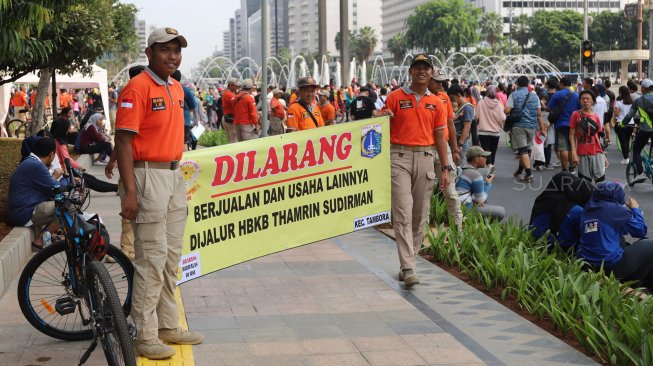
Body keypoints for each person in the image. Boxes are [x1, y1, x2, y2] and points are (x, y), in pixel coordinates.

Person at [114, 26, 203, 360]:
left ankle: (167, 325)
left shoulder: (177, 88)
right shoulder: (136, 87)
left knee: (169, 257)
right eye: (165, 49)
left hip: (173, 175)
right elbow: (123, 140)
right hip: (146, 177)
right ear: (149, 52)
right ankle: (142, 332)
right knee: (150, 259)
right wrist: (130, 192)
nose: (172, 56)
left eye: (177, 50)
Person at [379, 54, 451, 287]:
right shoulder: (395, 97)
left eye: (426, 68)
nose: (421, 71)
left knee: (420, 215)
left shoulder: (437, 103)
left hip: (426, 158)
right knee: (403, 212)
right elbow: (380, 124)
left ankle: (409, 261)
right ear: (410, 71)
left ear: (431, 73)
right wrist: (378, 118)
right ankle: (408, 266)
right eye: (417, 67)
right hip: (398, 157)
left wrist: (446, 168)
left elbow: (440, 136)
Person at [577, 181, 653, 292]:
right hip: (611, 266)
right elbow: (640, 230)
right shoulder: (615, 209)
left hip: (588, 265)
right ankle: (635, 284)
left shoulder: (588, 209)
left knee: (625, 242)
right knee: (649, 245)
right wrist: (635, 209)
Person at [8, 137, 62, 250]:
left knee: (63, 203)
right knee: (69, 205)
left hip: (22, 210)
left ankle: (48, 236)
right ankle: (40, 241)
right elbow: (56, 189)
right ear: (51, 154)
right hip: (24, 213)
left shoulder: (31, 162)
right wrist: (60, 178)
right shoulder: (36, 165)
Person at [427, 70, 463, 229]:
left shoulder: (444, 97)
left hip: (444, 148)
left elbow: (450, 123)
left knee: (451, 193)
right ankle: (423, 232)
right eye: (437, 81)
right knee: (424, 193)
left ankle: (458, 230)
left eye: (442, 82)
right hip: (425, 148)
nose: (441, 85)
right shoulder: (419, 98)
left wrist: (455, 148)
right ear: (428, 79)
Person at [530, 172, 594, 251]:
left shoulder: (543, 200)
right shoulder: (576, 210)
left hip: (536, 244)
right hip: (563, 251)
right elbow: (590, 234)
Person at [505, 75, 547, 183]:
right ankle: (519, 171)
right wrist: (542, 129)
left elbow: (506, 110)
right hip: (532, 126)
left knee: (522, 151)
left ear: (517, 84)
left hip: (518, 125)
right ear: (528, 84)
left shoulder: (513, 95)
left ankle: (528, 174)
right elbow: (538, 114)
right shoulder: (534, 96)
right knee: (526, 150)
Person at [456, 146, 505, 221]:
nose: (486, 159)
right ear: (476, 159)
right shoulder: (476, 175)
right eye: (484, 156)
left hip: (455, 205)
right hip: (464, 209)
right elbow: (481, 200)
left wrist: (476, 200)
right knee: (501, 211)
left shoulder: (461, 167)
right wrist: (488, 185)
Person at [570, 90, 608, 183]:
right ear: (580, 101)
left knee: (601, 183)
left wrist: (603, 156)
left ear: (593, 101)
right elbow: (571, 135)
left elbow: (598, 138)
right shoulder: (576, 115)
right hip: (582, 153)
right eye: (583, 99)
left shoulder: (596, 117)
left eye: (588, 99)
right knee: (585, 184)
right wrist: (574, 153)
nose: (585, 101)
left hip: (597, 153)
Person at [620, 78, 653, 183]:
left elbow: (629, 116)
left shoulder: (638, 101)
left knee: (636, 149)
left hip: (645, 130)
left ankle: (641, 173)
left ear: (643, 88)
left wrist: (622, 124)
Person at [547, 77, 581, 172]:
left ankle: (564, 169)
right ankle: (571, 167)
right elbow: (580, 110)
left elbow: (548, 108)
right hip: (573, 124)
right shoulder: (576, 95)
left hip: (560, 124)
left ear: (561, 84)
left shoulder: (557, 95)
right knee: (571, 145)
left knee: (563, 147)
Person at [475, 85, 506, 166]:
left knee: (486, 150)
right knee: (493, 151)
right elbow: (503, 117)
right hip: (495, 132)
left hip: (483, 132)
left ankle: (489, 166)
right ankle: (491, 166)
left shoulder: (481, 102)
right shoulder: (498, 104)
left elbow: (476, 117)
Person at [448, 84, 474, 158]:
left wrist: (460, 144)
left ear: (458, 95)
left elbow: (467, 127)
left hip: (460, 142)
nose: (451, 100)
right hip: (455, 141)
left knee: (460, 166)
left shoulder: (467, 107)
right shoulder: (459, 106)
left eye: (452, 98)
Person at [613, 86, 634, 165]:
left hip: (621, 124)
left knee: (623, 141)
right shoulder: (632, 102)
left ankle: (626, 158)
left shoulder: (618, 102)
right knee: (627, 140)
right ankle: (626, 157)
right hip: (631, 124)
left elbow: (616, 114)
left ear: (621, 93)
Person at [221, 78, 239, 143]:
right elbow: (236, 105)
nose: (237, 87)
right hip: (229, 118)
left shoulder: (228, 93)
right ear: (230, 85)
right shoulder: (228, 94)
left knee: (231, 139)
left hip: (228, 117)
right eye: (235, 86)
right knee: (233, 139)